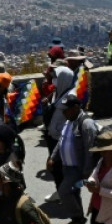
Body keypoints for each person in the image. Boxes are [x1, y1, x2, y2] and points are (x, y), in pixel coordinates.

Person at [49, 94, 98, 224]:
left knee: (64, 191)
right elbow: (61, 141)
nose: (64, 113)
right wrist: (53, 157)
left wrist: (87, 171)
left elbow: (91, 150)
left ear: (76, 107)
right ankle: (76, 221)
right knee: (73, 193)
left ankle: (78, 219)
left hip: (78, 168)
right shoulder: (69, 120)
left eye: (67, 110)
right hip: (67, 167)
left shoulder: (86, 124)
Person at [43, 65, 76, 203]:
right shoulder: (58, 92)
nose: (54, 80)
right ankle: (62, 192)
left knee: (61, 168)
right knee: (56, 169)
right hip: (52, 135)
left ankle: (67, 196)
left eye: (57, 77)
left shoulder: (71, 97)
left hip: (61, 138)